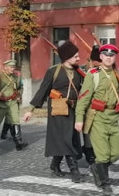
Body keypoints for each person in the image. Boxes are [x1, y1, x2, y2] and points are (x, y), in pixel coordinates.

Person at [23, 41, 84, 179]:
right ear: (67, 57)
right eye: (75, 56)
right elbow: (42, 91)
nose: (78, 58)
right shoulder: (54, 71)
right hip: (58, 110)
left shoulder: (78, 72)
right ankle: (74, 170)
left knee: (67, 138)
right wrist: (30, 110)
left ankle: (55, 164)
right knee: (65, 138)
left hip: (73, 110)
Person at [75, 44, 119, 194]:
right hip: (98, 117)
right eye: (106, 55)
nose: (109, 58)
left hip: (113, 117)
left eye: (112, 56)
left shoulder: (117, 74)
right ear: (101, 57)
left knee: (115, 153)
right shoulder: (93, 74)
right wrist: (79, 118)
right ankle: (105, 184)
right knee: (102, 154)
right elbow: (83, 98)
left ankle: (97, 168)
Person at [0, 60, 27, 151]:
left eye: (13, 67)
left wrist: (19, 95)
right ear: (5, 67)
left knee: (16, 121)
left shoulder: (16, 77)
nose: (13, 69)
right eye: (11, 67)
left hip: (12, 102)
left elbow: (20, 87)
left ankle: (18, 142)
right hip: (1, 103)